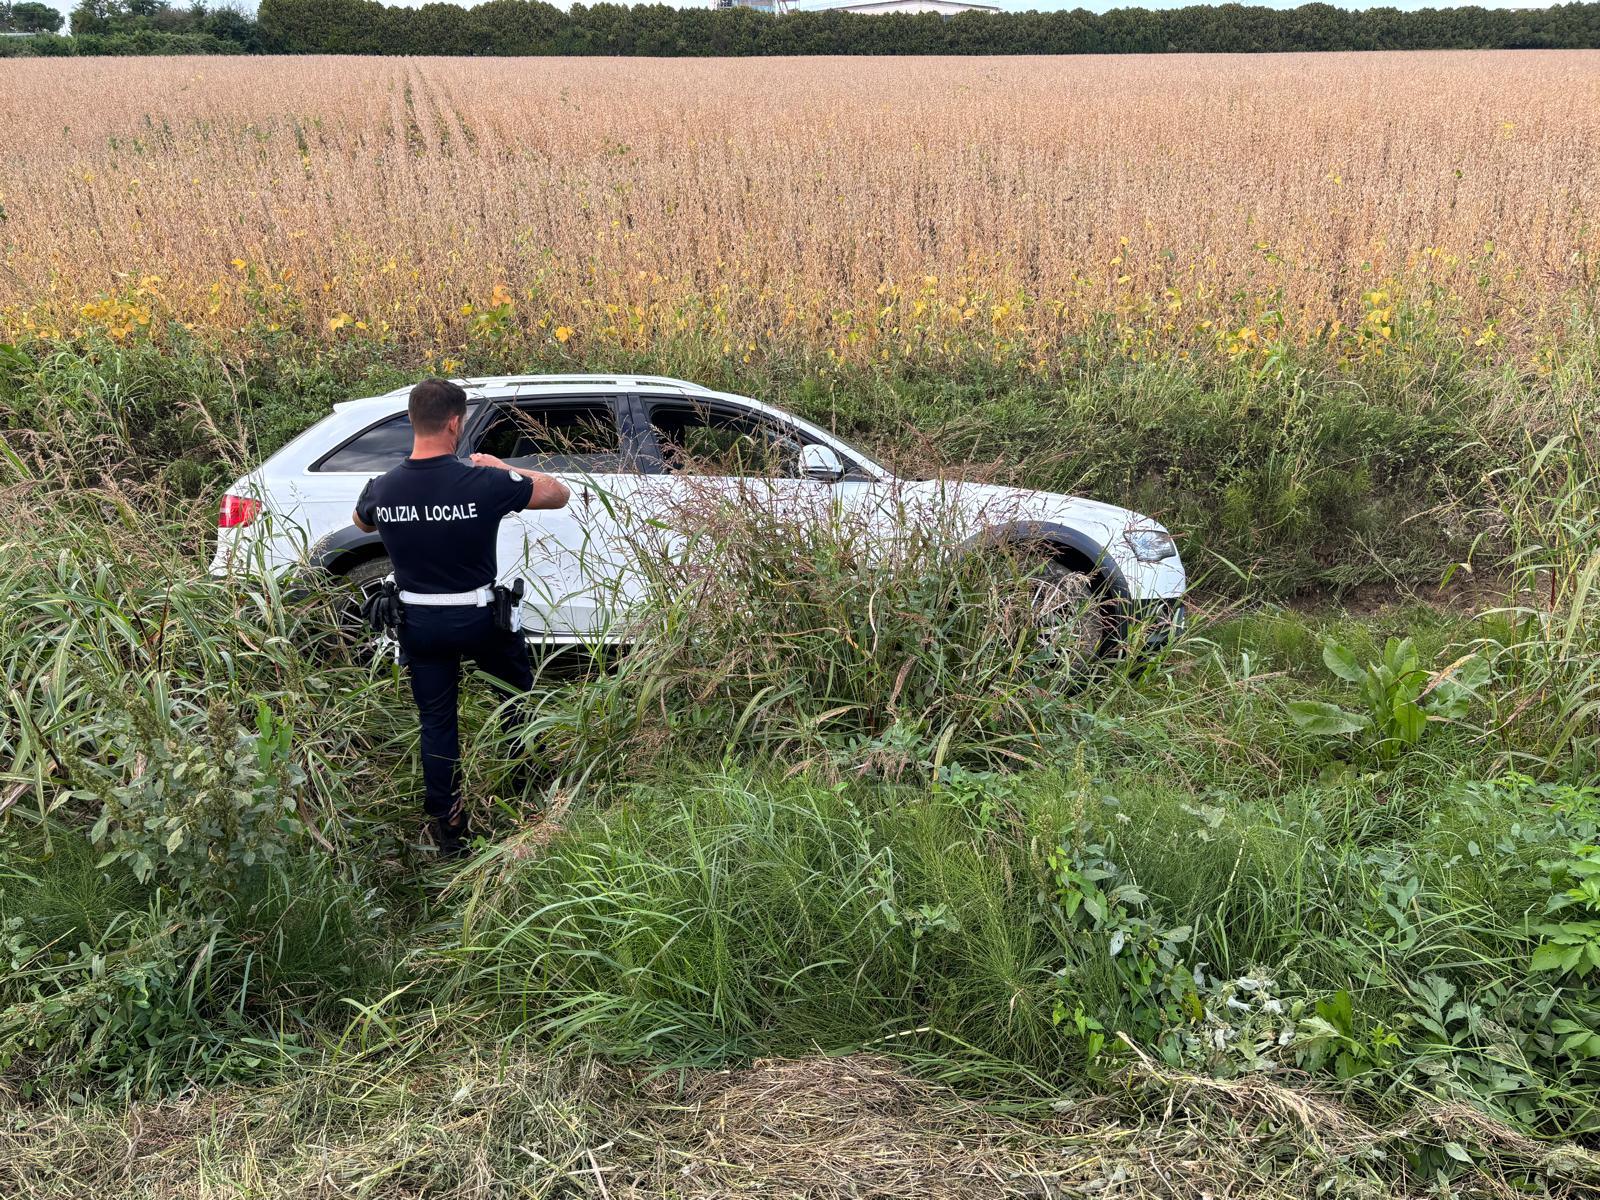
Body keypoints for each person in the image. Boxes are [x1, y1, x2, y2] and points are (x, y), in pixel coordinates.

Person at [352, 378, 570, 857]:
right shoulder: (483, 481)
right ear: (455, 423)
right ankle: (528, 792)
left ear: (412, 421)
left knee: (437, 722)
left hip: (420, 626)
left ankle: (450, 830)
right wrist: (502, 465)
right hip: (480, 622)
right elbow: (558, 494)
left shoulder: (384, 487)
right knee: (516, 699)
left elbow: (361, 521)